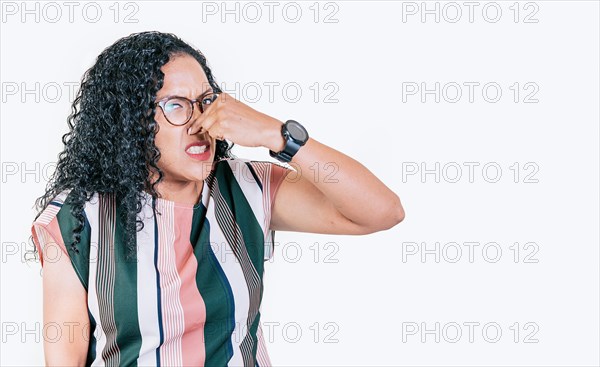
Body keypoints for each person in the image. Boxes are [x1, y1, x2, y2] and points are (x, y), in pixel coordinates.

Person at [30, 31, 405, 366]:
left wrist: (277, 135)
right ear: (129, 120)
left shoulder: (246, 185)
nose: (200, 123)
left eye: (206, 101)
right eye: (176, 105)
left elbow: (382, 211)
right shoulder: (77, 217)